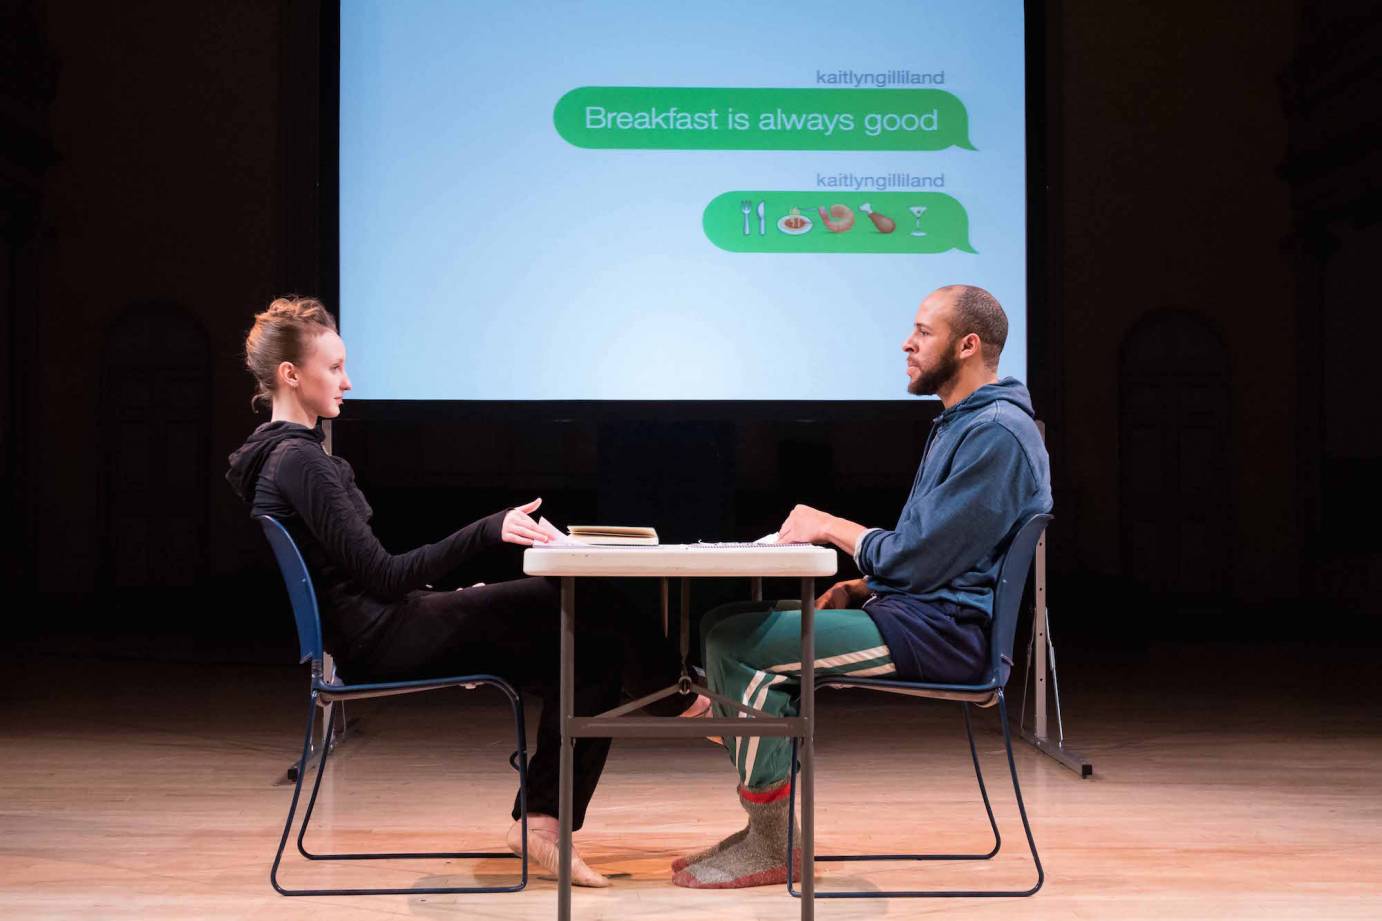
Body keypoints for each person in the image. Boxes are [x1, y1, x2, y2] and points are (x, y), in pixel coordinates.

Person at [226, 296, 680, 887]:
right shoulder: (298, 461)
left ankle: (542, 827)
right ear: (291, 375)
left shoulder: (285, 457)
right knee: (579, 600)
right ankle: (682, 694)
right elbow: (384, 575)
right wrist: (487, 530)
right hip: (383, 639)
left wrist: (454, 598)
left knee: (588, 648)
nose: (348, 380)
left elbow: (363, 579)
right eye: (334, 368)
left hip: (387, 626)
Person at [672, 284, 1053, 889]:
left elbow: (917, 556)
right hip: (923, 617)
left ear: (969, 344)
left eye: (924, 332)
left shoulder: (997, 435)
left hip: (947, 637)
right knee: (724, 624)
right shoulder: (968, 423)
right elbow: (934, 556)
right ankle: (764, 831)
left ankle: (772, 841)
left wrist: (828, 525)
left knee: (740, 647)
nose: (908, 342)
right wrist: (861, 585)